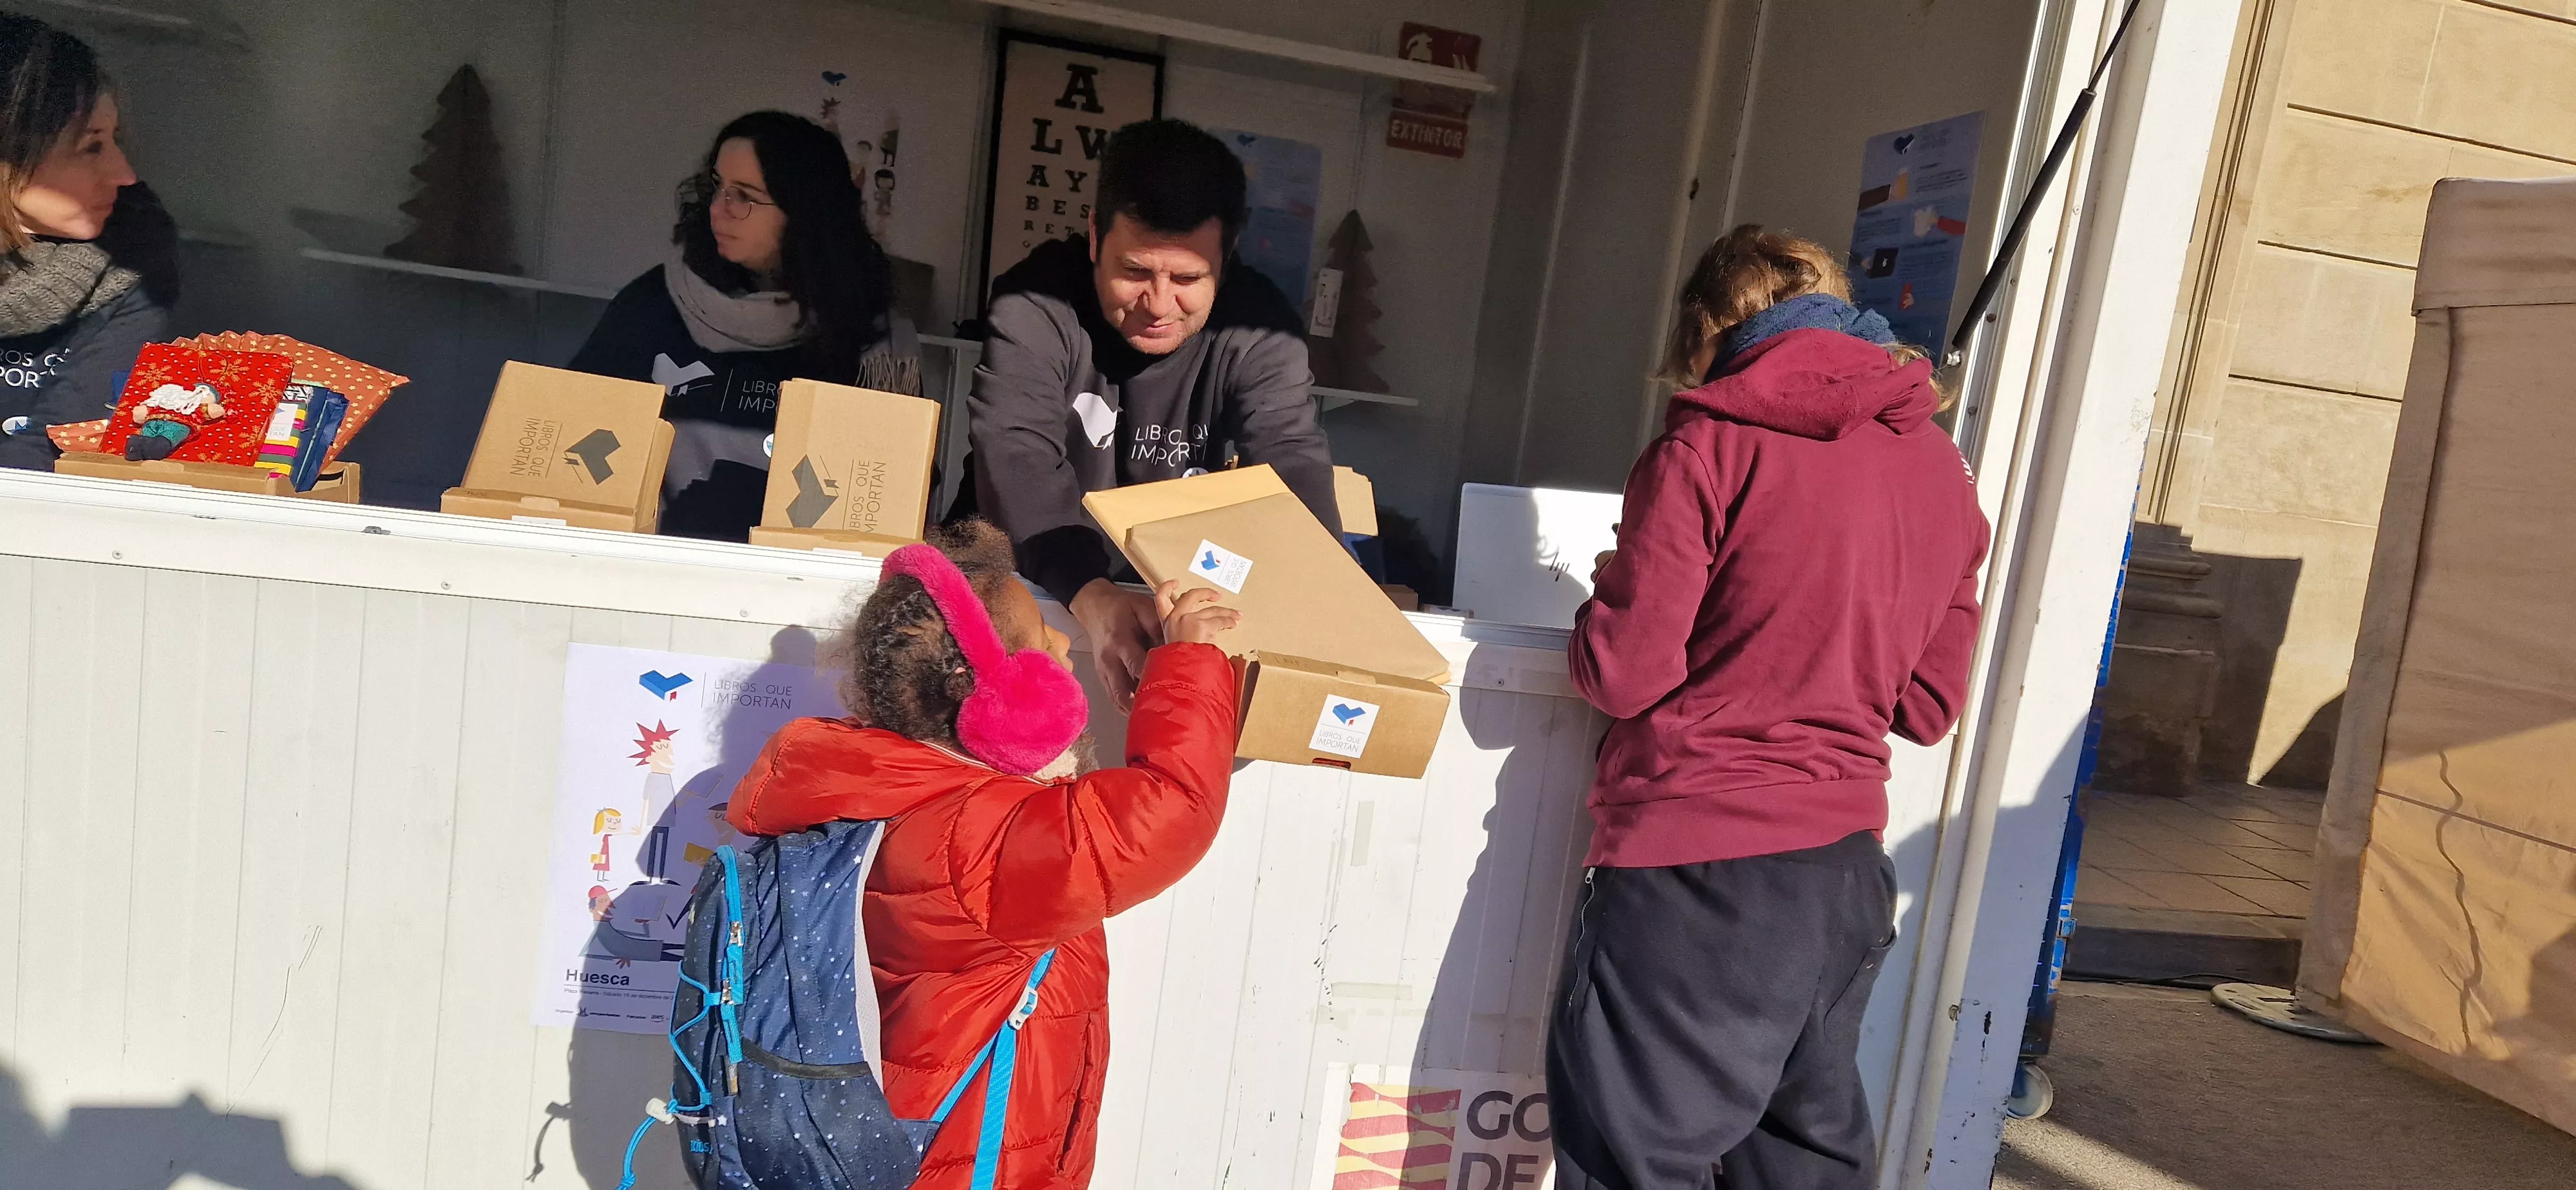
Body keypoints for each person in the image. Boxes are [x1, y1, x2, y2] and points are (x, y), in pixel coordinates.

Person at [1547, 225, 1990, 1190]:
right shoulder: (1944, 475)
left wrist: (1606, 592)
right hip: (1840, 884)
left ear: (1709, 331)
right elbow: (1926, 705)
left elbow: (1625, 675)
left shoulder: (1706, 443)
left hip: (1694, 876)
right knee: (1799, 1173)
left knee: (1637, 1162)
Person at [725, 518, 1241, 1190]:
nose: (1061, 640)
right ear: (991, 695)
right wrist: (1189, 660)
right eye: (1038, 639)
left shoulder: (885, 793)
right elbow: (1169, 807)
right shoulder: (977, 841)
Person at [967, 117, 1336, 709]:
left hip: (1174, 609)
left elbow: (1291, 457)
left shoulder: (1259, 326)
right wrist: (1092, 596)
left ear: (1229, 255)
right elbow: (1013, 449)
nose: (1159, 305)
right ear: (1094, 235)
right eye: (1134, 271)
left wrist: (1323, 601)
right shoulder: (1035, 300)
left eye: (1188, 278)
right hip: (1025, 598)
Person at [569, 110, 920, 540]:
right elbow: (575, 441)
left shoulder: (874, 337)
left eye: (745, 196)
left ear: (804, 213)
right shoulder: (654, 303)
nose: (719, 208)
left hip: (798, 587)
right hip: (650, 571)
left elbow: (889, 498)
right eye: (717, 187)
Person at [0, 14, 178, 471]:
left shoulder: (132, 255)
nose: (125, 175)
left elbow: (60, 449)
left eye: (114, 139)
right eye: (91, 146)